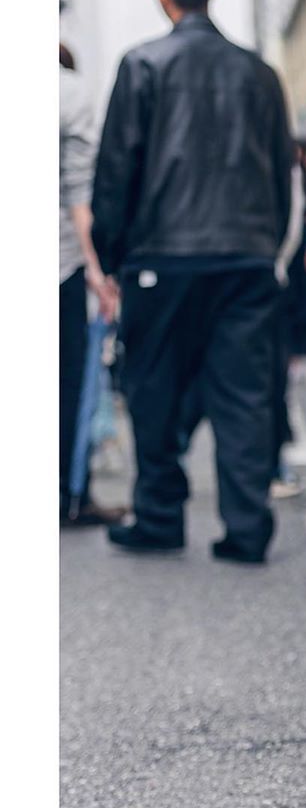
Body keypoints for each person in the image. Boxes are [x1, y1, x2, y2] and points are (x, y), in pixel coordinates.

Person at [92, 0, 293, 563]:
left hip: (163, 258)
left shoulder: (143, 64)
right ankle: (247, 527)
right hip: (246, 257)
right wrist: (267, 245)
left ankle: (158, 516)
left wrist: (114, 253)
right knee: (244, 392)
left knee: (153, 388)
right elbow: (279, 174)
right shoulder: (258, 73)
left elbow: (116, 171)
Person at [59, 43, 124, 525]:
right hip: (58, 267)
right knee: (66, 388)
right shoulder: (69, 92)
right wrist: (100, 274)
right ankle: (68, 495)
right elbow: (81, 193)